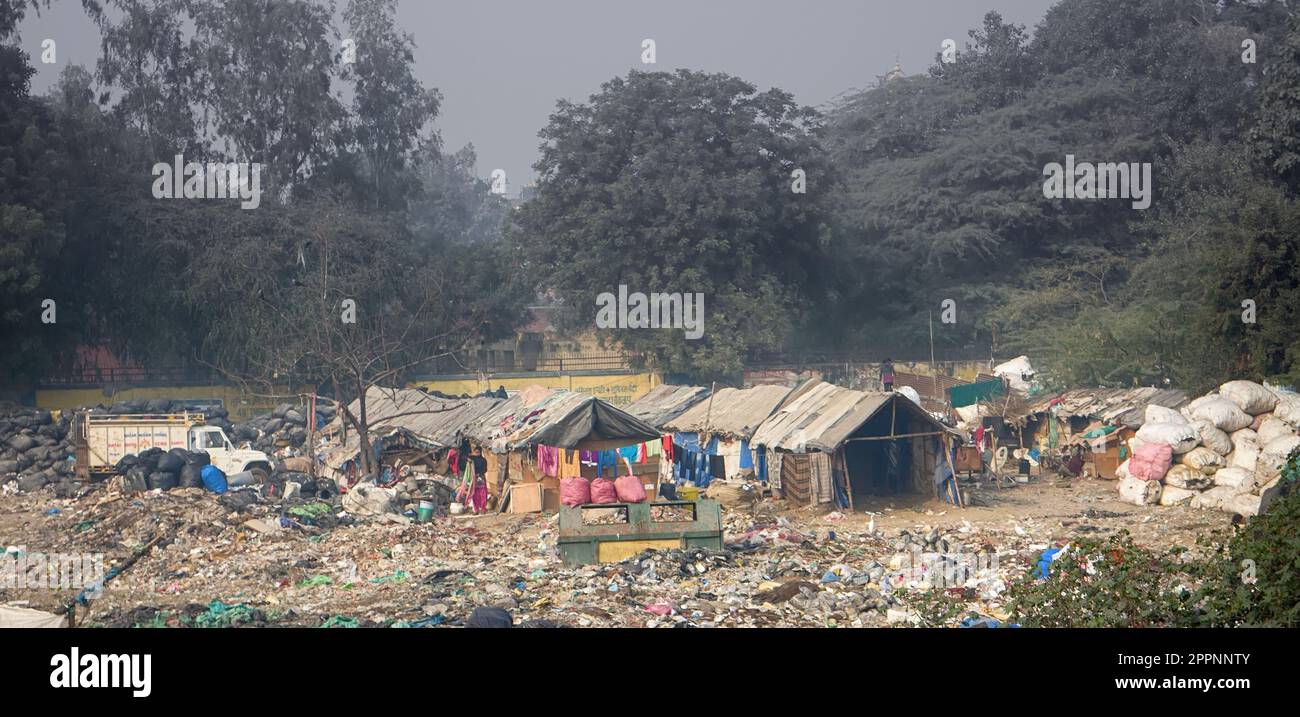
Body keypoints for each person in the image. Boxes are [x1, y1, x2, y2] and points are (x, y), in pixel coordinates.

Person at [469, 446, 489, 513]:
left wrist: (479, 474)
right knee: (474, 495)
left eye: (478, 452)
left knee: (483, 494)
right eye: (475, 452)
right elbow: (464, 458)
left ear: (480, 452)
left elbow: (485, 469)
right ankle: (476, 510)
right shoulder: (472, 459)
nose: (477, 453)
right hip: (474, 478)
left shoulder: (483, 460)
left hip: (481, 478)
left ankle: (483, 509)